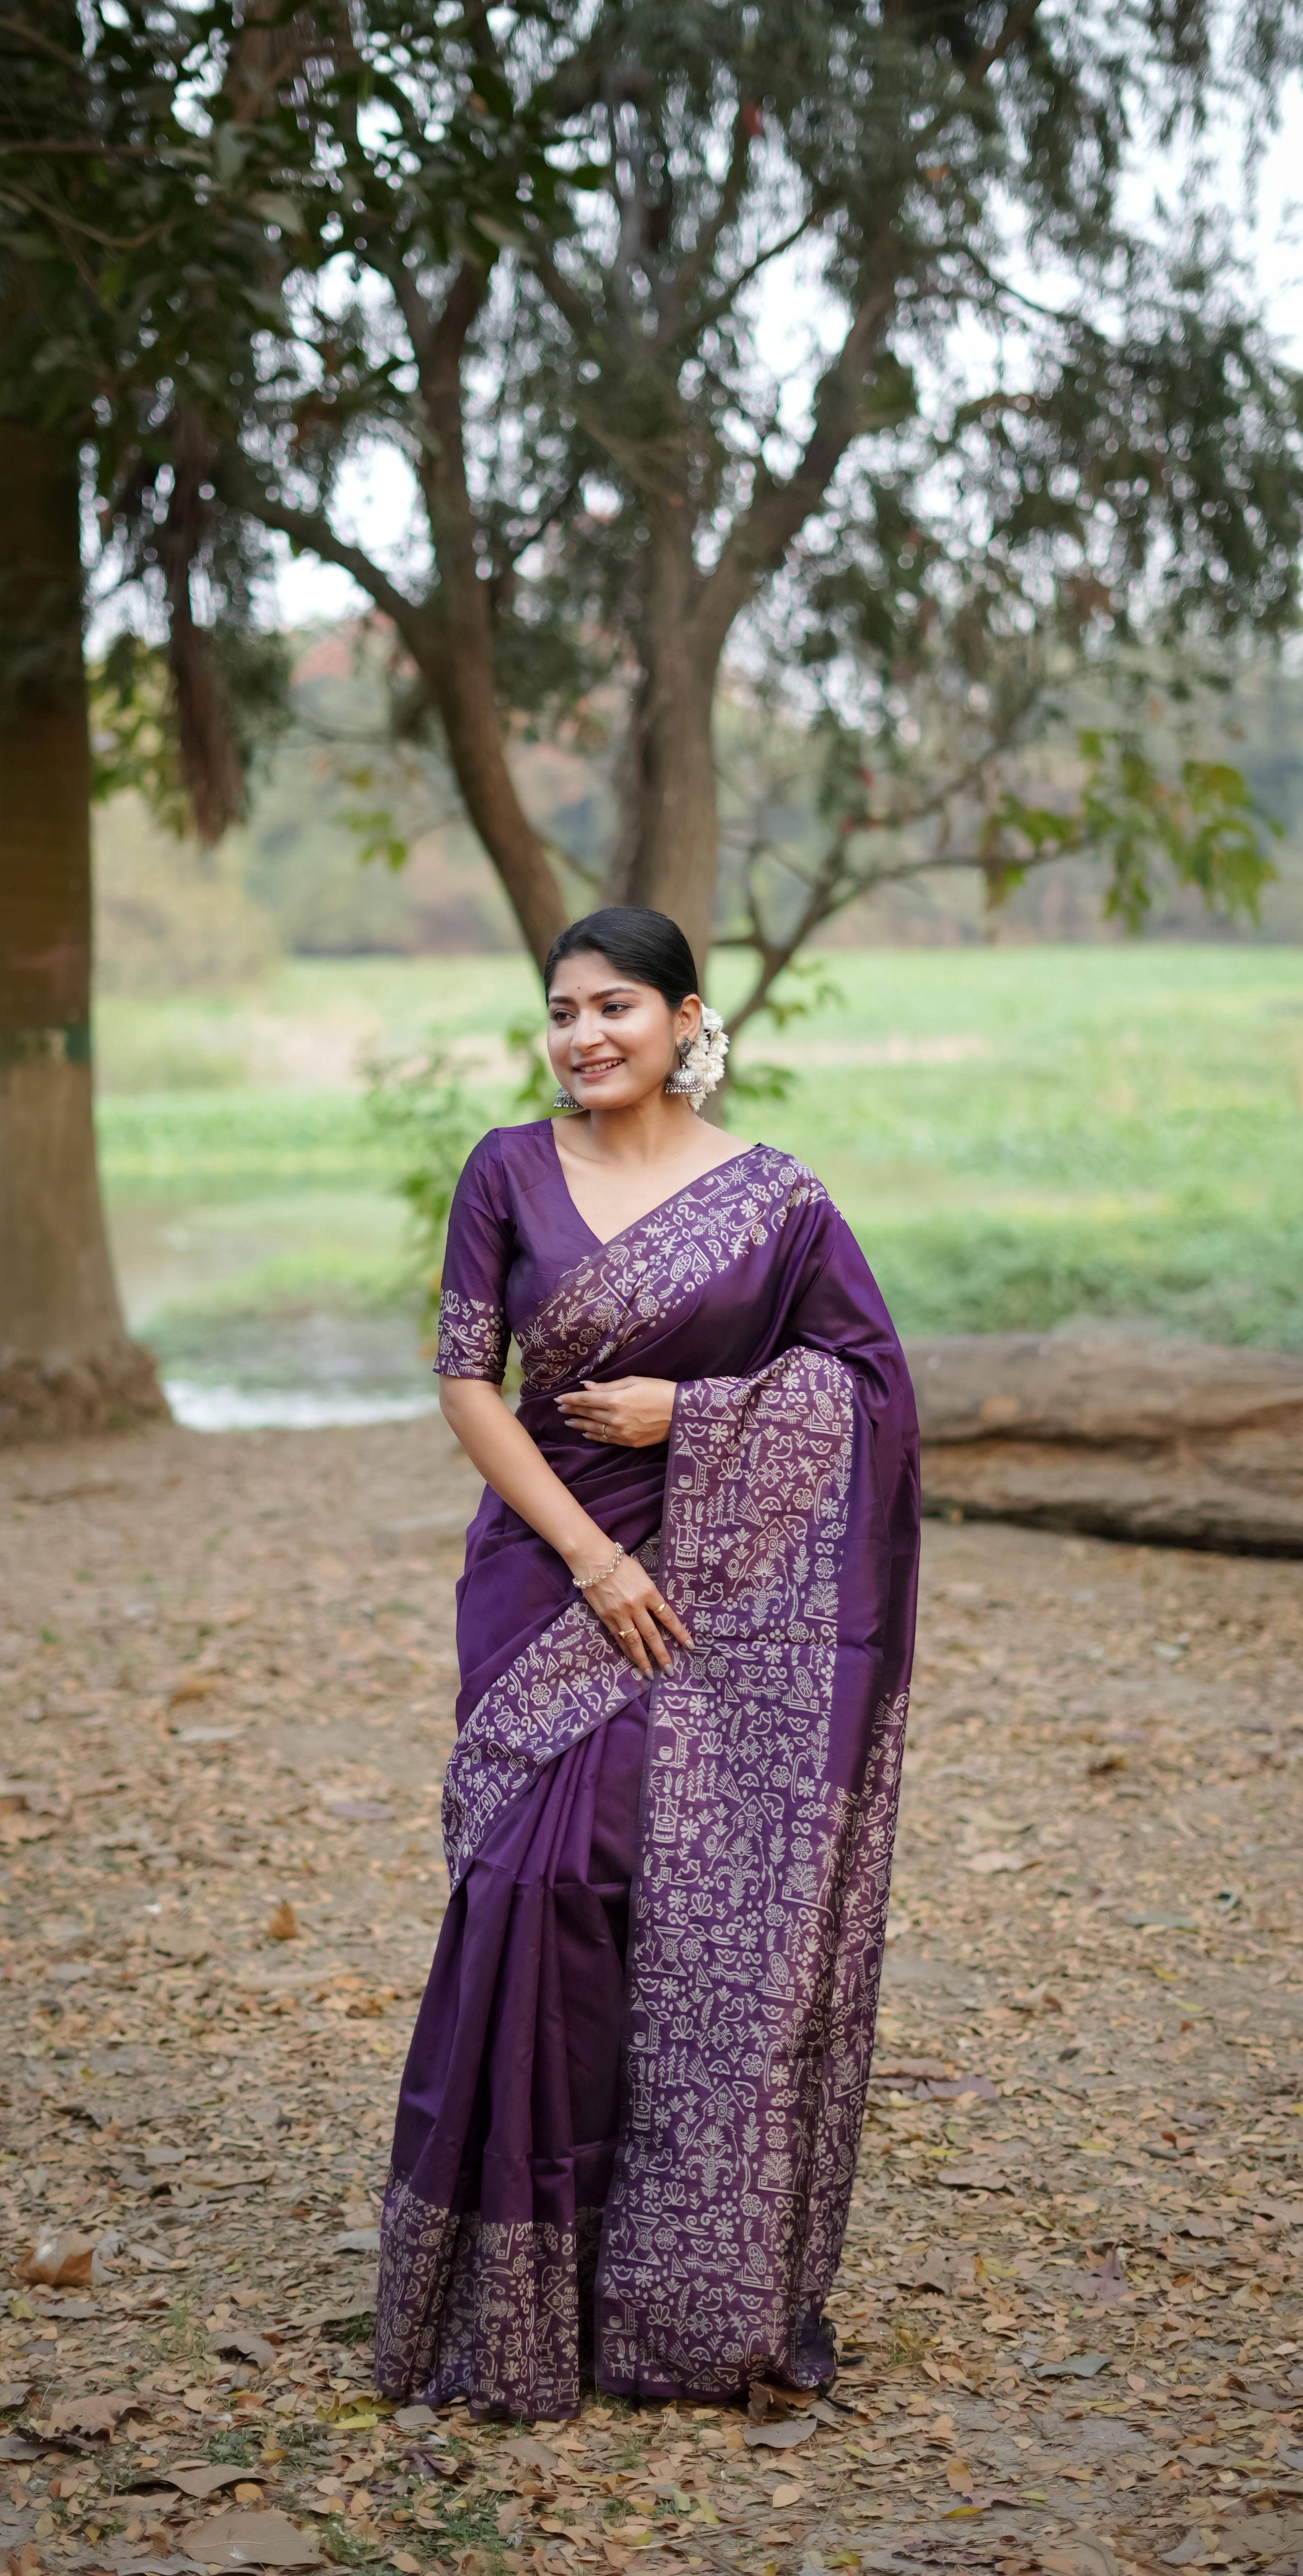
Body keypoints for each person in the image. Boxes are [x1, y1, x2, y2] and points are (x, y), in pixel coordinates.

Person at [372, 906, 921, 2420]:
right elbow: (465, 1383)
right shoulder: (506, 1169)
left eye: (614, 1005)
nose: (583, 1036)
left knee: (674, 1902)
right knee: (529, 1886)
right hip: (546, 1566)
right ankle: (509, 2300)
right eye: (561, 1011)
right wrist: (595, 1561)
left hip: (719, 1586)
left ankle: (668, 2295)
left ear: (686, 1020)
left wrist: (694, 1417)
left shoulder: (778, 1202)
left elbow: (868, 1390)